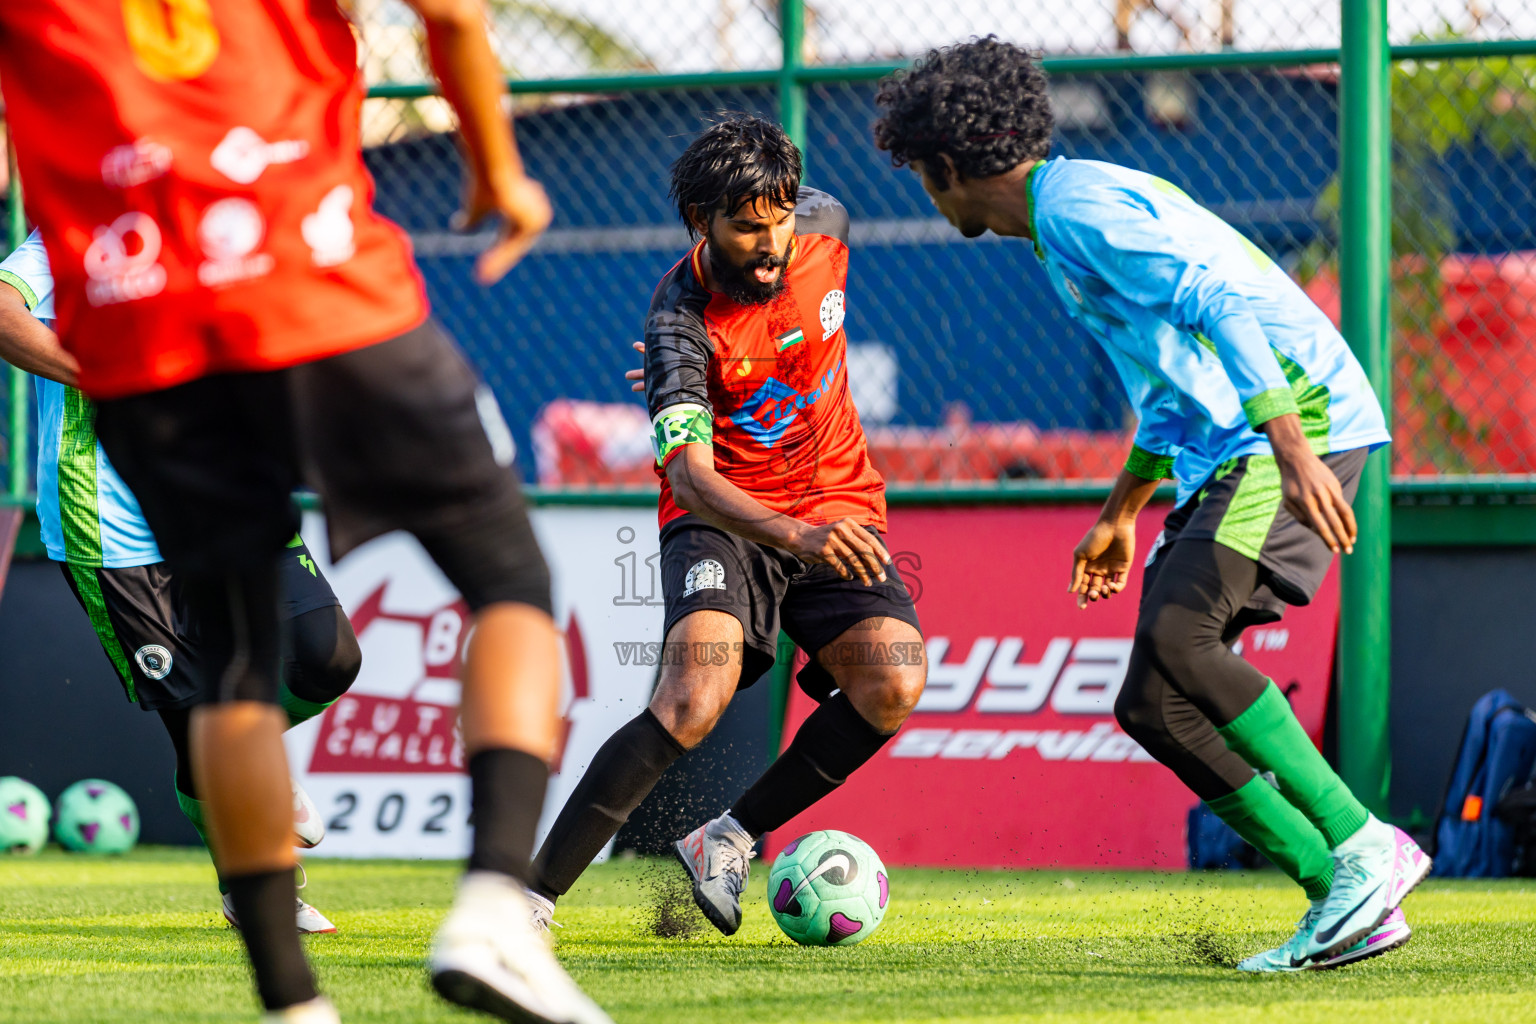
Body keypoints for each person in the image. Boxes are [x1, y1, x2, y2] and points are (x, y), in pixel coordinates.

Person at [0, 1, 608, 1021]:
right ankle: (498, 905)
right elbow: (451, 13)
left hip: (159, 345)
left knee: (252, 667)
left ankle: (292, 1003)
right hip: (324, 292)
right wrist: (498, 168)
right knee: (511, 582)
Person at [871, 37, 1429, 972]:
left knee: (1182, 639)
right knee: (1152, 704)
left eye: (925, 179)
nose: (931, 197)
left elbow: (1215, 297)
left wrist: (1290, 442)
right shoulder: (1062, 222)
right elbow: (1171, 386)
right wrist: (1123, 508)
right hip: (1237, 445)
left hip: (1293, 433)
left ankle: (1363, 847)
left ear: (946, 166)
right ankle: (1337, 889)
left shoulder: (1081, 212)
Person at [525, 116, 926, 939]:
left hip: (837, 502)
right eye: (747, 226)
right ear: (699, 223)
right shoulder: (678, 322)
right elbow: (690, 478)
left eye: (779, 216)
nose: (771, 240)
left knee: (892, 683)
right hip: (726, 521)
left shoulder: (826, 226)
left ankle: (729, 837)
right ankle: (528, 902)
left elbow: (803, 232)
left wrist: (816, 530)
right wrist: (794, 535)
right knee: (689, 700)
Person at [0, 230, 359, 934]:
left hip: (225, 493)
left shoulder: (229, 214)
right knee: (193, 721)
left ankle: (245, 750)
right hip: (109, 518)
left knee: (328, 656)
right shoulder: (80, 229)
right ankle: (254, 889)